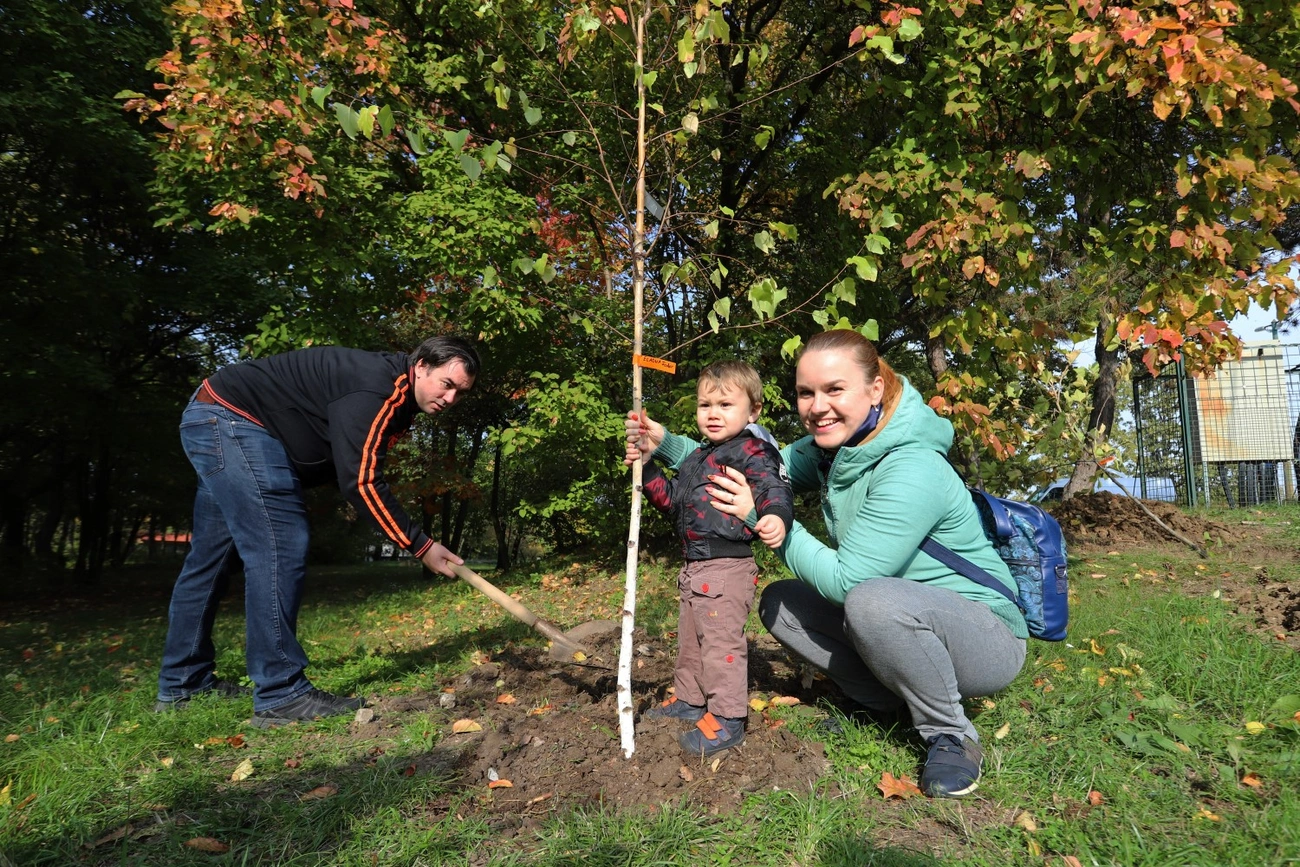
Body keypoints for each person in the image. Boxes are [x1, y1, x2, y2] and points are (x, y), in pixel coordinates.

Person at [626, 330, 1026, 797]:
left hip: (983, 636)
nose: (818, 407)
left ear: (875, 389)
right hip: (896, 616)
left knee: (871, 601)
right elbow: (746, 461)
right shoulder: (828, 449)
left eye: (835, 389)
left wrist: (758, 517)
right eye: (806, 393)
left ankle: (951, 734)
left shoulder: (912, 467)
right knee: (781, 602)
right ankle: (879, 703)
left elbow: (846, 581)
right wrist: (664, 443)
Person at [155, 335, 480, 728]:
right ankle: (280, 693)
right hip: (234, 421)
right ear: (422, 365)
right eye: (447, 384)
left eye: (461, 393)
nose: (450, 398)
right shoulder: (379, 388)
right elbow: (361, 481)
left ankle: (183, 684)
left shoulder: (396, 396)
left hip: (216, 418)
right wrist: (420, 544)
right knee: (282, 542)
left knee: (211, 559)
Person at [633, 361, 794, 757]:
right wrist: (647, 466)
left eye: (725, 404)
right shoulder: (699, 457)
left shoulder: (752, 451)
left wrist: (775, 515)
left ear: (753, 411)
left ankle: (727, 718)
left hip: (727, 567)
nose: (713, 413)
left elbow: (772, 487)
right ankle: (690, 699)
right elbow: (672, 501)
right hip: (694, 566)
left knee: (721, 645)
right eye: (705, 405)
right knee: (690, 641)